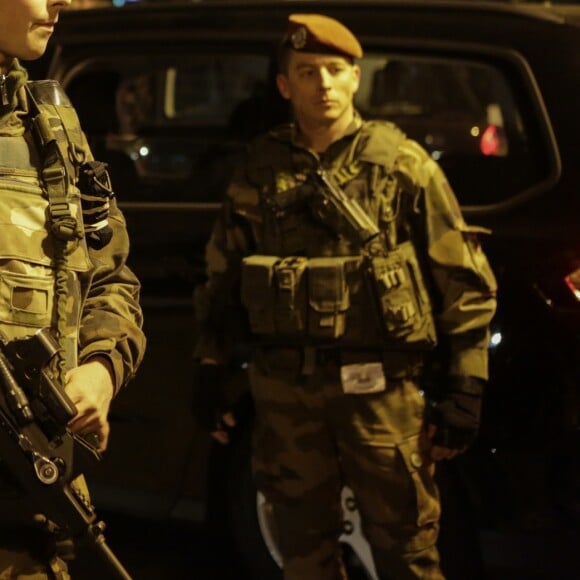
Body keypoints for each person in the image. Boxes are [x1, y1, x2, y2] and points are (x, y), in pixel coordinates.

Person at [192, 13, 496, 580]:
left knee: (409, 554)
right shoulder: (260, 170)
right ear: (285, 86)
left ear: (357, 77)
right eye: (307, 72)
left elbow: (464, 281)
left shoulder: (401, 164)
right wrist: (210, 369)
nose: (322, 85)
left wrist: (467, 386)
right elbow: (223, 278)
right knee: (302, 554)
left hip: (381, 396)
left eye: (334, 71)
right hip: (285, 400)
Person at [0, 0, 146, 577]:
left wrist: (100, 369)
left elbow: (111, 275)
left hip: (38, 500)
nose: (59, 0)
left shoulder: (49, 122)